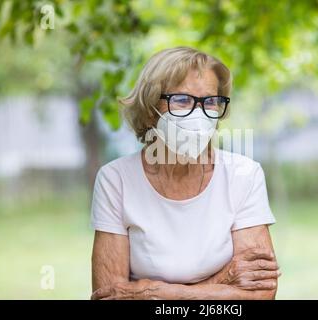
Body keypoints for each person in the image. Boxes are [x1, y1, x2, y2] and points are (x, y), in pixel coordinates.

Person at [90, 46, 280, 299]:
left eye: (210, 101)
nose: (198, 113)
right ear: (149, 111)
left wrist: (157, 291)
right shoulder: (115, 179)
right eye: (182, 100)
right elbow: (108, 296)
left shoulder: (244, 175)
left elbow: (260, 294)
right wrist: (223, 282)